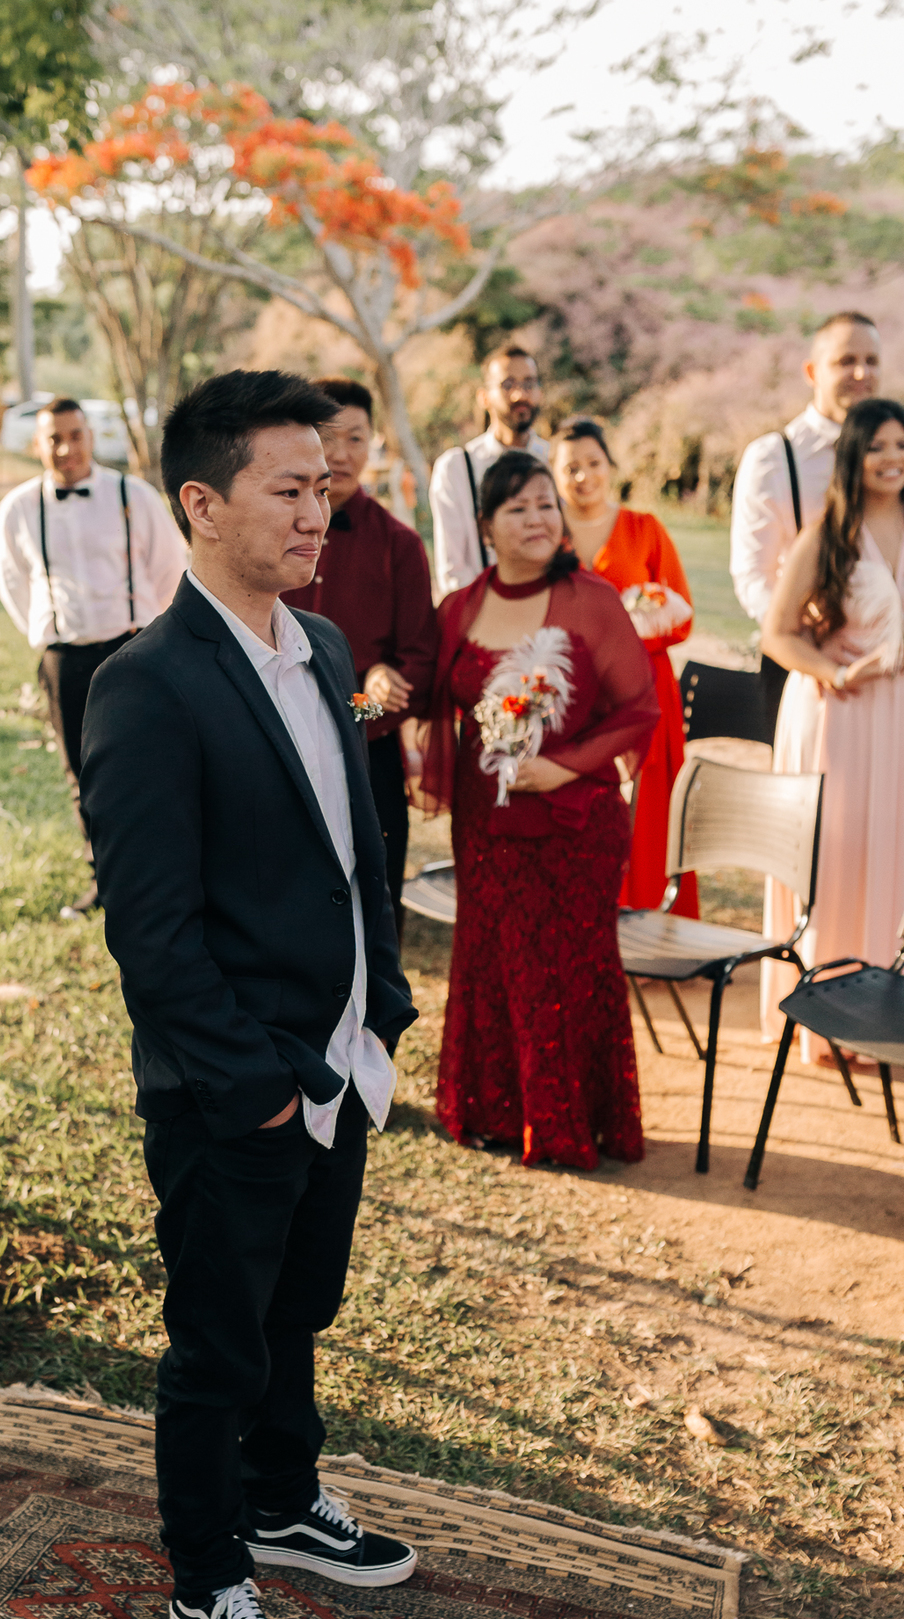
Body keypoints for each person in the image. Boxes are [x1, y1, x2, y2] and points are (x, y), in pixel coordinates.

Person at [79, 370, 419, 1619]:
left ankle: (282, 1500)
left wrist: (379, 1011)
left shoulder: (324, 649)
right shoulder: (145, 687)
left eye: (324, 487)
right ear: (203, 504)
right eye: (288, 489)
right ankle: (208, 1573)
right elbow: (153, 935)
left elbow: (355, 852)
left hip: (340, 1058)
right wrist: (259, 1088)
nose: (317, 512)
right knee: (218, 1344)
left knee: (299, 1308)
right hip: (238, 1086)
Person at [420, 451, 660, 1168]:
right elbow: (431, 699)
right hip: (483, 822)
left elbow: (638, 709)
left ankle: (571, 1122)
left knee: (565, 965)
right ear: (485, 525)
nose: (537, 519)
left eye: (546, 505)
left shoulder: (592, 600)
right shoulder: (460, 608)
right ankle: (494, 1112)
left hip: (573, 820)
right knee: (490, 956)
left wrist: (562, 766)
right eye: (517, 507)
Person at [0, 395, 188, 914]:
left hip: (133, 652)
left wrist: (153, 642)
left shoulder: (134, 496)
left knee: (149, 764)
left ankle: (160, 872)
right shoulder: (19, 509)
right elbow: (13, 582)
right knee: (82, 772)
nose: (66, 449)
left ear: (90, 437)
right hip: (66, 657)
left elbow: (170, 570)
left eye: (74, 436)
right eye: (54, 439)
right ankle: (105, 876)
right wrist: (52, 633)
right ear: (37, 445)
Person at [760, 396, 904, 1063]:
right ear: (853, 455)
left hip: (897, 718)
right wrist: (838, 672)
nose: (893, 458)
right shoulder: (828, 534)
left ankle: (885, 1018)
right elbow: (778, 634)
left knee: (893, 857)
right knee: (839, 857)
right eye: (877, 446)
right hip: (839, 716)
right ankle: (830, 1018)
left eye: (901, 444)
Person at [292, 375, 440, 934]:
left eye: (355, 438)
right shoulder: (273, 533)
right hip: (280, 739)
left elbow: (419, 660)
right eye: (326, 438)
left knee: (375, 905)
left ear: (374, 443)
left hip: (369, 751)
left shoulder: (400, 544)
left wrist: (369, 702)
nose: (341, 453)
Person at [551, 417, 698, 916]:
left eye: (593, 463)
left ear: (610, 466)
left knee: (648, 812)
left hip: (643, 690)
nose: (583, 476)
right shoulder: (544, 533)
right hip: (569, 693)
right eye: (570, 467)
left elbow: (682, 616)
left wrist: (631, 631)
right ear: (554, 474)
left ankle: (652, 917)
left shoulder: (644, 529)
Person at [730, 312, 880, 735]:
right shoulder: (773, 458)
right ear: (812, 372)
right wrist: (801, 638)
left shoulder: (894, 455)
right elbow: (752, 574)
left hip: (886, 662)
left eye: (871, 361)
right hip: (801, 667)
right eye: (846, 361)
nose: (861, 373)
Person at [429, 346, 550, 596]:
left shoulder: (555, 460)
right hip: (483, 608)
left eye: (529, 384)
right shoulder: (456, 469)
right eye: (508, 384)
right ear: (483, 397)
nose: (520, 394)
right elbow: (453, 571)